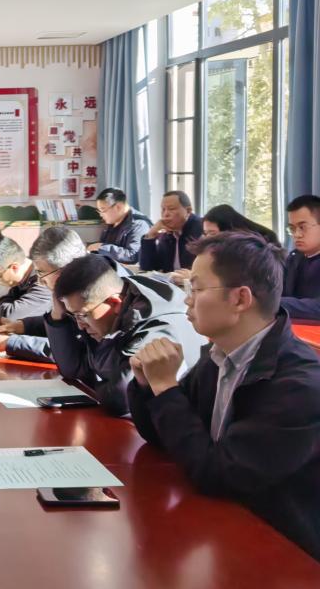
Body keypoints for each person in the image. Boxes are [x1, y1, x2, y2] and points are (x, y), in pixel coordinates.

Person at [128, 232, 320, 561]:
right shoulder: (219, 355)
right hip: (227, 531)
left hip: (284, 553)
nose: (186, 300)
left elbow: (220, 474)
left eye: (196, 289)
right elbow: (166, 436)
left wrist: (166, 388)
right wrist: (148, 385)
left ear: (240, 299)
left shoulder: (299, 387)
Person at [46, 253, 203, 415]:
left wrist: (94, 380)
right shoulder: (105, 310)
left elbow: (120, 399)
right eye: (74, 315)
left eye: (82, 315)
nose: (80, 325)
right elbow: (74, 370)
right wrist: (57, 316)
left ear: (114, 303)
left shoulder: (156, 326)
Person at [0, 226, 90, 362]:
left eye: (41, 273)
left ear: (64, 268)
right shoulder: (73, 286)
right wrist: (21, 326)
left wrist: (9, 343)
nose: (40, 281)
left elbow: (72, 350)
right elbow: (66, 325)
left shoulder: (94, 293)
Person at [0, 236, 51, 355]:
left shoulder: (43, 280)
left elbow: (11, 314)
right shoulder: (23, 279)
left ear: (14, 267)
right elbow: (9, 301)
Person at [169, 204, 279, 285]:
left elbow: (237, 283)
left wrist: (195, 279)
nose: (207, 239)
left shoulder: (253, 247)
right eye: (206, 233)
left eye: (212, 233)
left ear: (228, 230)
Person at [138, 190, 204, 273]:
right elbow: (147, 267)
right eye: (163, 209)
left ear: (188, 211)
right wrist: (150, 236)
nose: (166, 214)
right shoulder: (168, 233)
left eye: (171, 209)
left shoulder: (202, 229)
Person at [87, 187, 152, 264]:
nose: (101, 215)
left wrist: (101, 247)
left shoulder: (139, 224)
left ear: (118, 207)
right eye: (99, 211)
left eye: (102, 210)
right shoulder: (113, 221)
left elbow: (133, 256)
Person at [281, 194, 320, 320]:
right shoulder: (293, 258)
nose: (297, 235)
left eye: (302, 227)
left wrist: (273, 303)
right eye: (292, 228)